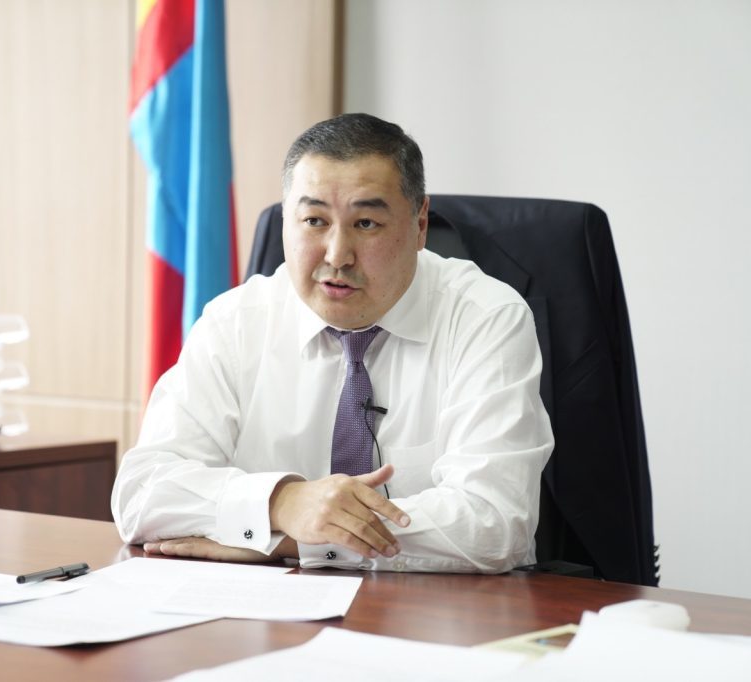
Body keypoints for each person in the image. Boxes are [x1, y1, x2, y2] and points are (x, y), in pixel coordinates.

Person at [111, 113, 554, 572]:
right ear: (286, 221)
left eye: (366, 223)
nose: (338, 255)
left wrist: (286, 541)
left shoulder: (485, 318)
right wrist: (281, 503)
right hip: (268, 604)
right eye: (314, 220)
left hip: (445, 607)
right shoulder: (235, 322)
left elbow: (494, 522)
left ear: (420, 223)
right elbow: (141, 495)